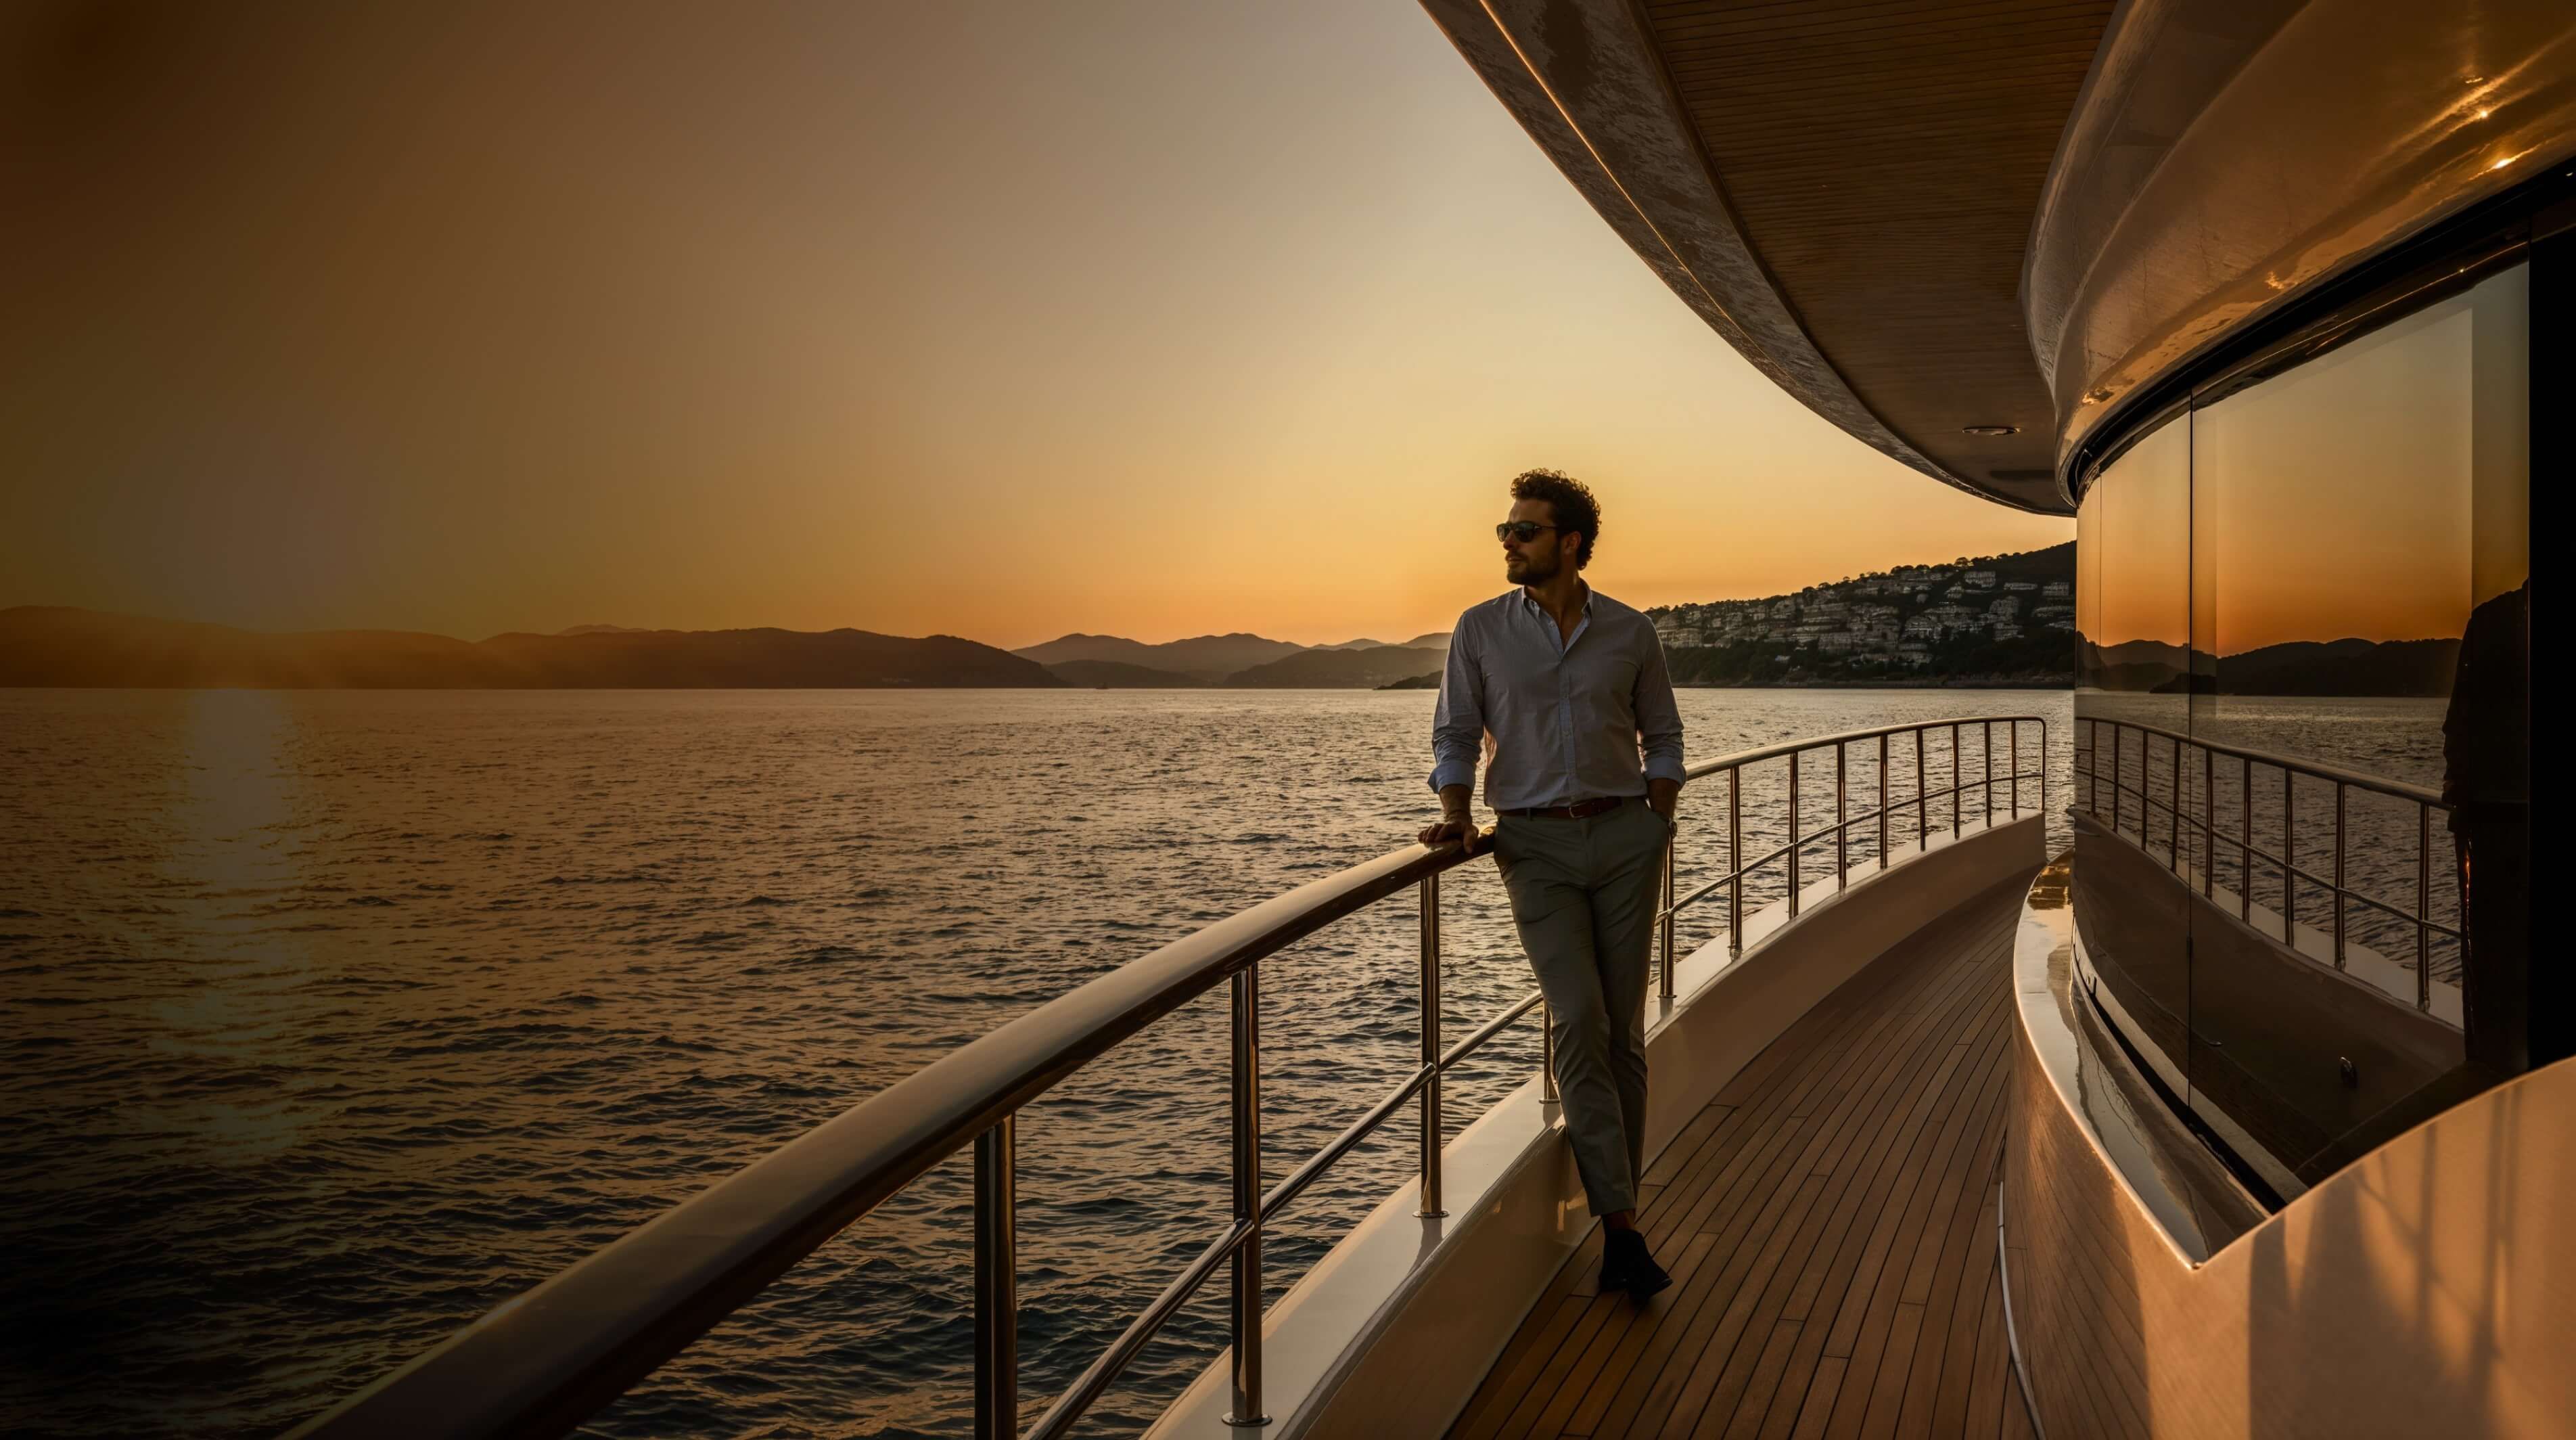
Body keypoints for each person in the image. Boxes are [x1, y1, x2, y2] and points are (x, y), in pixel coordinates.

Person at [1416, 468, 1686, 1302]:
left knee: (1621, 1036)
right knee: (1577, 1017)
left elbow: (1664, 736)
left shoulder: (1631, 632)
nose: (1506, 540)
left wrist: (1656, 820)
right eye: (1505, 529)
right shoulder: (1480, 630)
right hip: (1532, 844)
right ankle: (1623, 1228)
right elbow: (1457, 734)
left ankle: (1622, 1223)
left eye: (1523, 530)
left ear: (1569, 542)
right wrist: (1459, 813)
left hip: (1625, 837)